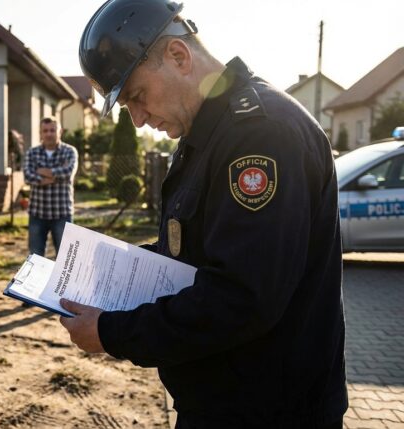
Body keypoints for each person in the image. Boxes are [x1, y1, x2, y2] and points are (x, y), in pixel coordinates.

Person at [59, 0, 348, 427]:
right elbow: (194, 251)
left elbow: (240, 297)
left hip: (268, 412)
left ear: (178, 56)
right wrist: (102, 270)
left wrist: (112, 332)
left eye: (137, 97)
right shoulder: (209, 134)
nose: (137, 120)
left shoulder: (260, 135)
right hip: (224, 399)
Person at [22, 117, 79, 257]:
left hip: (62, 213)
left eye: (52, 130)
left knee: (65, 258)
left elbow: (68, 173)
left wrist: (41, 172)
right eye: (45, 131)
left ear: (60, 132)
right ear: (40, 133)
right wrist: (56, 176)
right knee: (35, 258)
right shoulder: (32, 152)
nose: (49, 134)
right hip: (37, 213)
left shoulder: (70, 151)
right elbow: (28, 176)